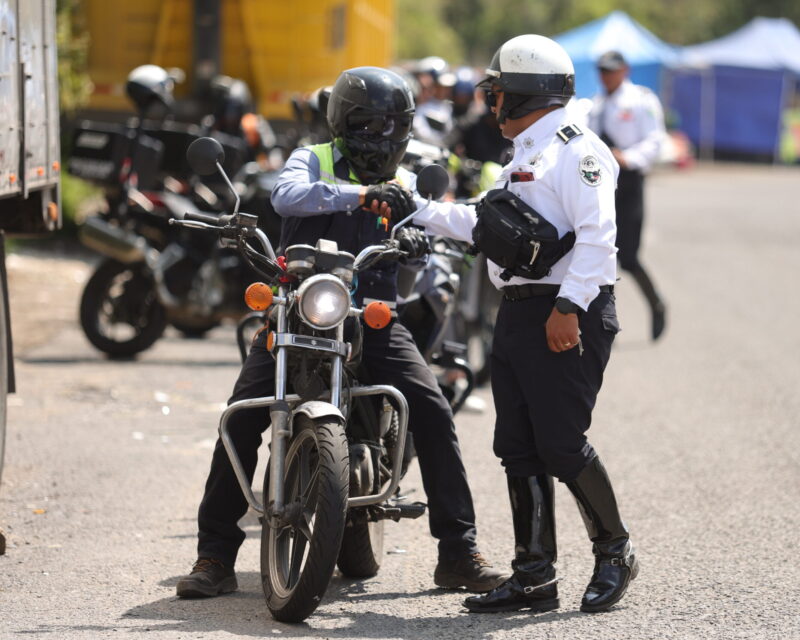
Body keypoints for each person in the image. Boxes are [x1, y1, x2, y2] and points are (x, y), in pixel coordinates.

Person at [175, 66, 508, 599]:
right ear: (342, 123)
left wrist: (418, 242)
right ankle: (213, 553)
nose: (383, 137)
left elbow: (417, 266)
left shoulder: (405, 183)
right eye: (370, 125)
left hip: (373, 315)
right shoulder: (312, 158)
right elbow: (287, 198)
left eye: (393, 126)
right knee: (239, 419)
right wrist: (357, 196)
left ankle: (458, 552)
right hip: (296, 309)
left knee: (432, 407)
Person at [411, 34, 638, 613]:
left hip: (563, 312)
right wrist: (417, 209)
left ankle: (615, 552)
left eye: (498, 93)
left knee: (562, 445)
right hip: (517, 313)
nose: (490, 106)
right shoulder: (526, 154)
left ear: (525, 94)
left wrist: (569, 308)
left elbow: (597, 237)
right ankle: (534, 574)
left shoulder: (577, 152)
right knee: (517, 448)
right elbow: (487, 225)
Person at [589, 50, 668, 340]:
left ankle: (656, 303)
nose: (606, 76)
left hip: (629, 179)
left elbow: (655, 139)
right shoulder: (595, 105)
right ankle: (603, 320)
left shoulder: (640, 100)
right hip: (601, 182)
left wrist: (628, 157)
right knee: (598, 251)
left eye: (611, 70)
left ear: (624, 70)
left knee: (629, 257)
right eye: (602, 70)